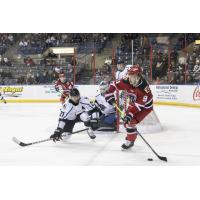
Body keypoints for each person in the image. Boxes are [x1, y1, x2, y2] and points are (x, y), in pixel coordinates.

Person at [105, 64, 153, 150]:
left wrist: (129, 114)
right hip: (133, 102)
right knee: (127, 122)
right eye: (129, 75)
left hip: (145, 107)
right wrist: (109, 94)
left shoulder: (144, 87)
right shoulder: (126, 80)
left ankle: (130, 141)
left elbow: (139, 106)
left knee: (130, 122)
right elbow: (114, 84)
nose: (129, 77)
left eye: (132, 75)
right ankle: (132, 135)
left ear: (138, 76)